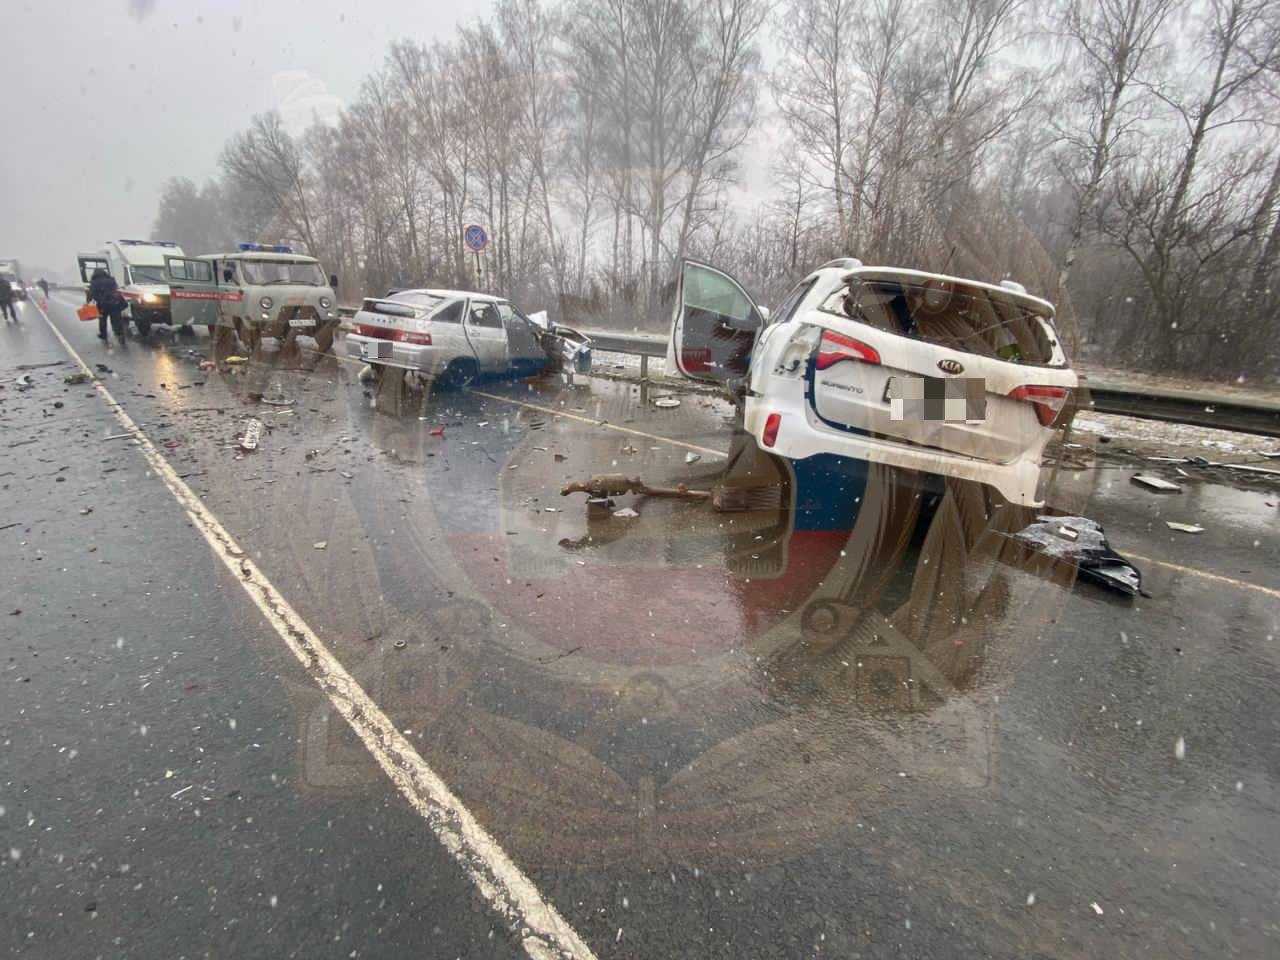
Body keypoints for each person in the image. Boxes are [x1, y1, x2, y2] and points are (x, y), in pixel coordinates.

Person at [87, 268, 126, 344]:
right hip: (114, 303)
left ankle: (103, 335)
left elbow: (91, 293)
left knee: (102, 320)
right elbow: (116, 289)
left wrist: (88, 301)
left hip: (102, 304)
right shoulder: (111, 280)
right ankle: (120, 334)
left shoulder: (94, 282)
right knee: (116, 320)